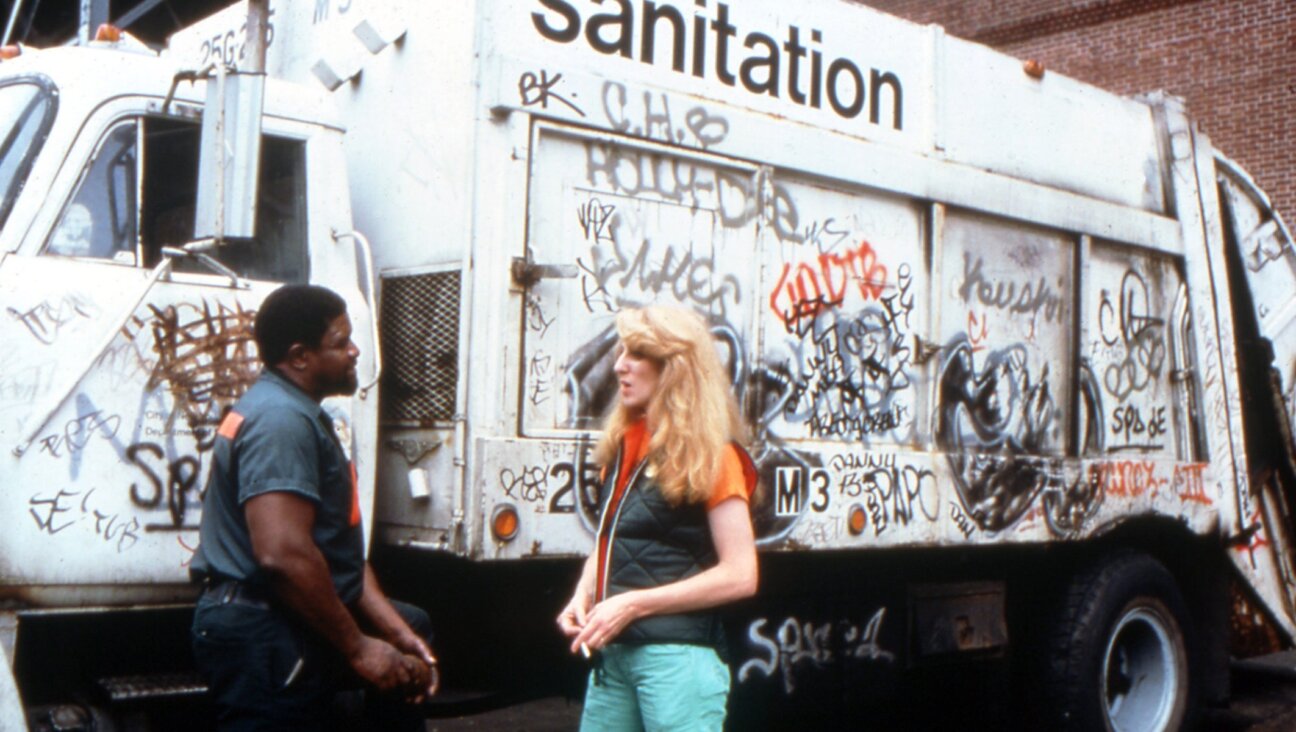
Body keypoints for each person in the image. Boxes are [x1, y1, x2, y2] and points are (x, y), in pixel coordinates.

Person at [190, 284, 437, 731]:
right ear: (300, 357)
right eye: (341, 343)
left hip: (279, 620)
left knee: (414, 622)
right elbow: (282, 553)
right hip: (263, 631)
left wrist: (396, 632)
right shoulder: (280, 421)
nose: (355, 351)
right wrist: (359, 648)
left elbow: (339, 555)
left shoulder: (296, 412)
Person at [557, 306, 759, 732]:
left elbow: (741, 575)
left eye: (637, 354)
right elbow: (612, 539)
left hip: (677, 661)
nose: (619, 366)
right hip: (615, 656)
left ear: (674, 369)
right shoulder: (626, 446)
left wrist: (632, 605)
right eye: (620, 352)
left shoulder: (715, 456)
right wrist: (583, 593)